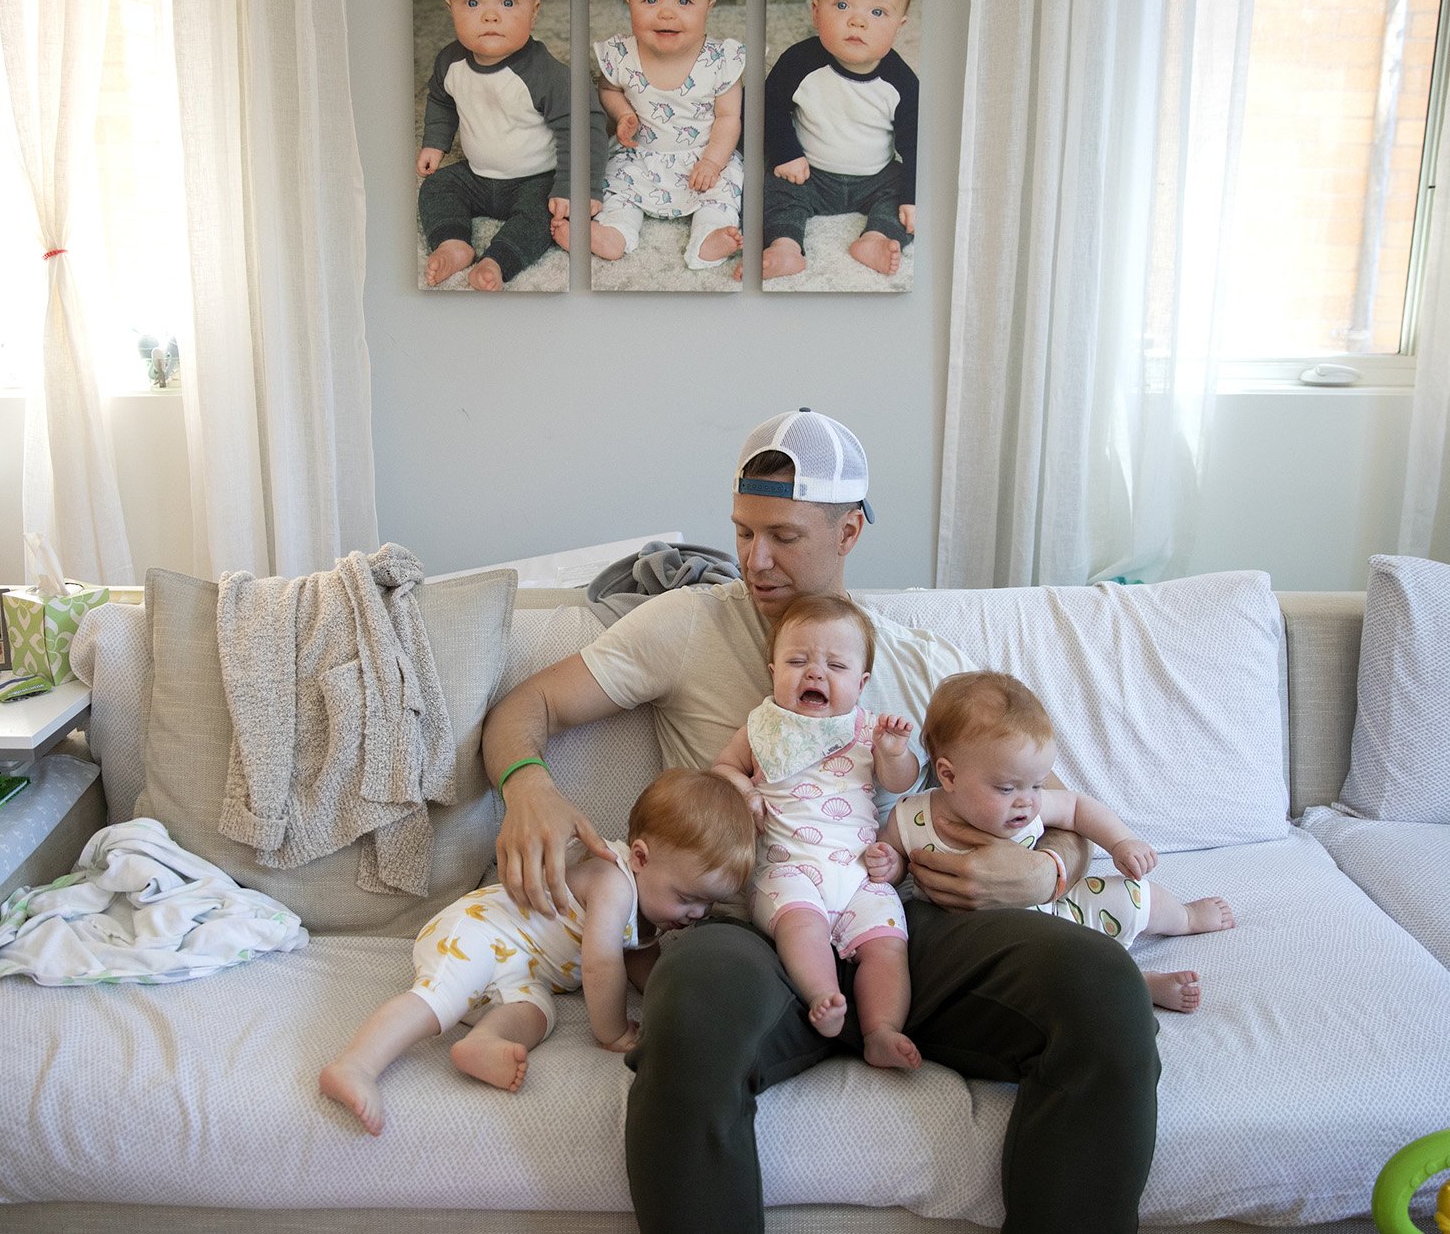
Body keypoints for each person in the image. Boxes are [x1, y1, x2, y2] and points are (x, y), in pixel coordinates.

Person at [481, 406, 1161, 1233]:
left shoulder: (925, 666)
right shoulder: (685, 624)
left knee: (1101, 987)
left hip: (909, 919)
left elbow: (1057, 807)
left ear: (850, 532)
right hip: (745, 926)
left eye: (782, 536)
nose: (753, 560)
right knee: (690, 1008)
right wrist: (528, 785)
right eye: (741, 532)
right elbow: (528, 705)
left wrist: (1049, 866)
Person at [318, 768, 754, 1138]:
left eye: (708, 904)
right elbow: (603, 961)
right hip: (481, 931)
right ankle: (356, 1065)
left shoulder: (649, 908)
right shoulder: (613, 882)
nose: (696, 913)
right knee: (442, 998)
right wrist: (612, 1031)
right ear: (639, 857)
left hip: (522, 971)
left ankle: (484, 1042)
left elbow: (642, 961)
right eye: (687, 897)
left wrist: (671, 1004)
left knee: (539, 1011)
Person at [870, 671, 1236, 1013]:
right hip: (986, 939)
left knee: (1134, 894)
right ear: (948, 776)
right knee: (1052, 975)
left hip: (1056, 904)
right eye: (1006, 788)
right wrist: (890, 864)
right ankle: (1139, 984)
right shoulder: (912, 816)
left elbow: (1077, 807)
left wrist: (1121, 842)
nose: (1027, 801)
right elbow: (895, 857)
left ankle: (1185, 918)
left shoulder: (1032, 805)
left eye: (1037, 784)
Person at [712, 592, 922, 1069]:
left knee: (889, 945)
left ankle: (881, 1029)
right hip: (787, 872)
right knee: (800, 924)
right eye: (797, 660)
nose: (815, 673)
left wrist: (892, 752)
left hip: (858, 874)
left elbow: (900, 782)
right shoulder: (763, 727)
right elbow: (723, 767)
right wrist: (743, 790)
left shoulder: (868, 729)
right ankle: (824, 997)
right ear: (772, 672)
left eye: (836, 665)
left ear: (862, 683)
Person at [417, 0, 584, 292]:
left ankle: (498, 260)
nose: (490, 16)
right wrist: (435, 142)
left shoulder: (545, 74)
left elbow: (574, 127)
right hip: (476, 176)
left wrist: (566, 186)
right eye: (473, 3)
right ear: (451, 9)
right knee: (436, 187)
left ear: (534, 11)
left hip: (534, 178)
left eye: (508, 3)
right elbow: (441, 99)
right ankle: (453, 243)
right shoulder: (450, 62)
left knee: (546, 215)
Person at [762, 0, 921, 282]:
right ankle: (785, 245)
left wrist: (912, 198)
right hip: (809, 173)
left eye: (877, 12)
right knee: (768, 185)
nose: (857, 21)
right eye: (842, 5)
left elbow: (916, 147)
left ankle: (877, 238)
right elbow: (767, 107)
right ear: (817, 13)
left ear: (899, 26)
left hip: (876, 178)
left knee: (909, 200)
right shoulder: (798, 63)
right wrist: (786, 154)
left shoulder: (902, 83)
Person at [589, 0, 747, 273]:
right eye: (650, 0)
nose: (666, 14)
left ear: (709, 6)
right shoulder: (622, 55)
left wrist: (713, 162)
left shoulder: (721, 60)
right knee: (614, 184)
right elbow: (609, 89)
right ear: (628, 1)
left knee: (725, 192)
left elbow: (729, 117)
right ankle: (614, 232)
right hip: (639, 157)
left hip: (701, 161)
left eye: (685, 2)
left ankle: (711, 235)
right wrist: (622, 113)